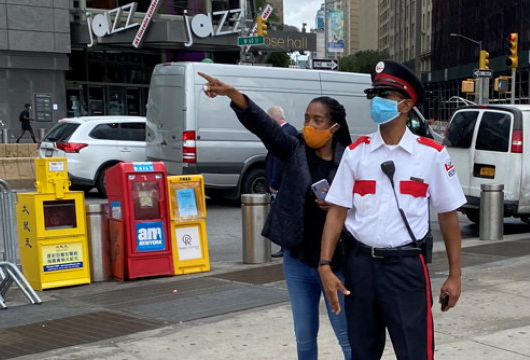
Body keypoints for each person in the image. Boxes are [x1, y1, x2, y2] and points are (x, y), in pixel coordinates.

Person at [198, 72, 353, 360]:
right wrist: (233, 94)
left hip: (337, 262)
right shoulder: (294, 148)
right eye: (306, 118)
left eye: (317, 120)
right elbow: (265, 127)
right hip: (297, 261)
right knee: (304, 336)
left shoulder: (351, 159)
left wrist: (340, 206)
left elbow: (366, 207)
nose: (309, 125)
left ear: (334, 126)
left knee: (348, 336)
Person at [318, 60, 466, 360]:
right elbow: (336, 212)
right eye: (374, 95)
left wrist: (455, 275)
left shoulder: (431, 155)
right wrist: (325, 264)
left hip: (406, 269)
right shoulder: (356, 153)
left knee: (415, 353)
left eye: (385, 95)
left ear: (406, 105)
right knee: (362, 352)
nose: (377, 102)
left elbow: (449, 217)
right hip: (360, 268)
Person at [264, 106, 299, 259]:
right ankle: (285, 247)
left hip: (282, 183)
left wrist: (274, 183)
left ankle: (286, 248)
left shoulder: (284, 133)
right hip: (284, 181)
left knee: (284, 216)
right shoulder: (290, 130)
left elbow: (279, 160)